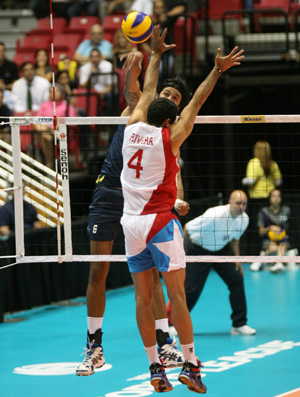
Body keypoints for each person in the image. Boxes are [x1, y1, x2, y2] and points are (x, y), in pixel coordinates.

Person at [120, 25, 244, 392]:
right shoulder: (171, 138)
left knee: (143, 299)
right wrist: (217, 70)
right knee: (176, 296)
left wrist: (155, 56)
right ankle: (190, 365)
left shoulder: (130, 127)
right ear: (171, 119)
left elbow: (146, 95)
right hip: (160, 223)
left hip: (130, 224)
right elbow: (197, 103)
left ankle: (154, 369)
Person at [76, 48, 191, 376]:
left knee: (151, 276)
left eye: (175, 96)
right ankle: (94, 347)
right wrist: (143, 63)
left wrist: (175, 201)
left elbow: (173, 177)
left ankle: (164, 343)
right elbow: (136, 89)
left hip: (137, 206)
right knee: (98, 272)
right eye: (166, 91)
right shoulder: (137, 110)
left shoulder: (170, 139)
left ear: (177, 108)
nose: (168, 96)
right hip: (107, 195)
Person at [177, 190, 256, 337]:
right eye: (238, 203)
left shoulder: (243, 219)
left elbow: (234, 239)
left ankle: (239, 324)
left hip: (220, 250)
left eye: (244, 203)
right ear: (230, 203)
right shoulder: (214, 215)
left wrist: (236, 259)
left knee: (237, 279)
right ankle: (175, 324)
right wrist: (181, 256)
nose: (241, 207)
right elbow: (187, 228)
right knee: (192, 289)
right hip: (198, 250)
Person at [242, 140, 282, 255]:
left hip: (256, 200)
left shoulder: (254, 162)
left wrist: (243, 180)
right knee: (268, 225)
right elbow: (279, 182)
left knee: (257, 227)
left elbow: (250, 181)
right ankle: (268, 250)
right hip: (269, 200)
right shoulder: (273, 164)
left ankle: (257, 253)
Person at [34, 84, 78, 168]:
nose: (54, 93)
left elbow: (72, 121)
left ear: (61, 93)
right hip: (46, 130)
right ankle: (50, 163)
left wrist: (56, 127)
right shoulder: (44, 105)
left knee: (44, 136)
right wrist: (49, 128)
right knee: (42, 132)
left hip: (60, 132)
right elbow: (37, 119)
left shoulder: (67, 105)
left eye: (57, 91)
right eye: (51, 91)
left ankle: (49, 164)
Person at [250, 189, 291, 273]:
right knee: (272, 247)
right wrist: (270, 228)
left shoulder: (286, 210)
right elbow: (260, 232)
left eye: (278, 196)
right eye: (273, 196)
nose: (276, 198)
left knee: (282, 246)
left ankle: (278, 264)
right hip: (268, 239)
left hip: (282, 239)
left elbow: (287, 227)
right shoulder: (263, 212)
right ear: (269, 198)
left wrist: (279, 233)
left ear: (281, 198)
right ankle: (262, 259)